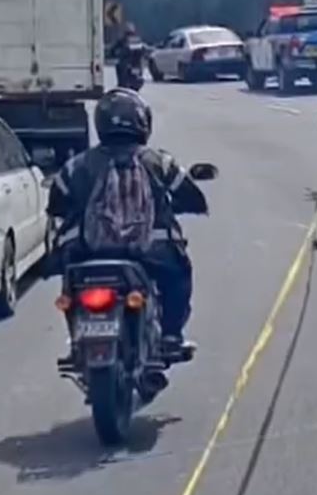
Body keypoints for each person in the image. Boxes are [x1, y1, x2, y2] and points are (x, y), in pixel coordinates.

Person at [48, 89, 208, 358]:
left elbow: (57, 206)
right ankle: (170, 336)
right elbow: (192, 198)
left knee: (70, 282)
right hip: (150, 252)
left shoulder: (76, 166)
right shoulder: (159, 162)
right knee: (178, 274)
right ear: (142, 122)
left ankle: (78, 340)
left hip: (88, 251)